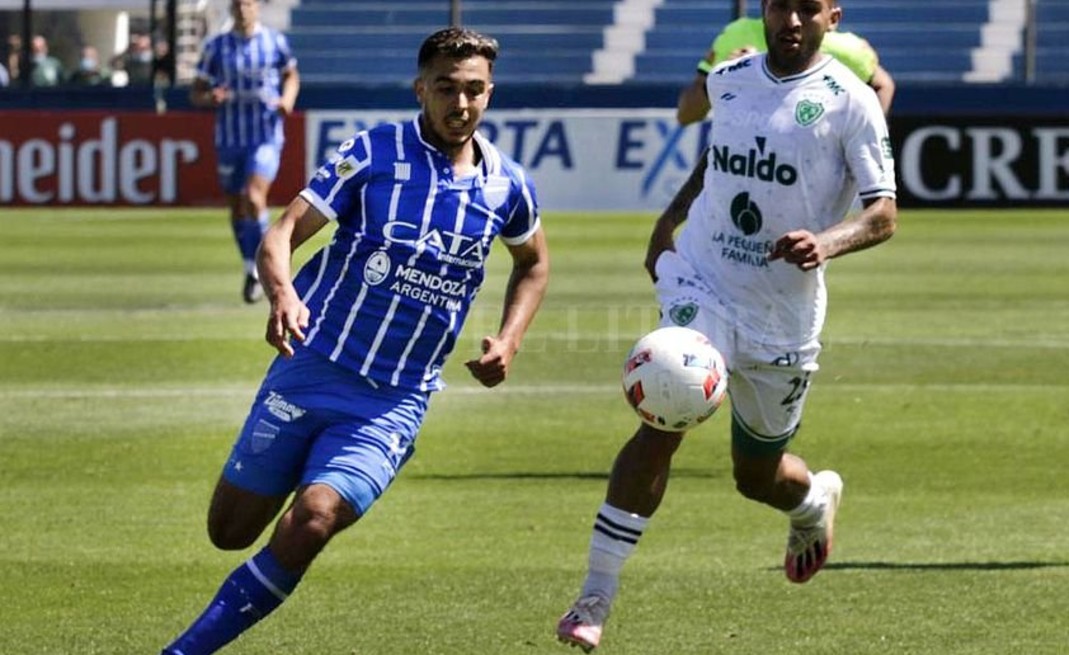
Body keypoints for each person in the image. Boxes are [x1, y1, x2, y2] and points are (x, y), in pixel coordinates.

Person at [160, 26, 549, 654]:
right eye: (446, 89)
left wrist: (510, 338)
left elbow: (532, 263)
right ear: (421, 89)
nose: (461, 104)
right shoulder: (372, 153)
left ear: (490, 93)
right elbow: (281, 233)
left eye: (475, 90)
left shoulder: (508, 186)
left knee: (313, 518)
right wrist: (284, 294)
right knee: (228, 532)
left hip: (393, 401)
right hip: (311, 365)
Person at [556, 0, 897, 650]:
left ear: (832, 16)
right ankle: (595, 594)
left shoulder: (851, 101)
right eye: (779, 6)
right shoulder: (730, 77)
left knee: (756, 475)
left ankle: (810, 503)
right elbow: (717, 159)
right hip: (704, 278)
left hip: (781, 313)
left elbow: (883, 213)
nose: (790, 19)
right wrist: (671, 218)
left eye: (807, 8)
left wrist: (827, 242)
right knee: (662, 417)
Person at [190, 0, 300, 303]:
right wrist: (210, 96)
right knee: (238, 206)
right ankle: (250, 265)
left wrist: (287, 99)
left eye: (248, 4)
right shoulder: (216, 46)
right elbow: (196, 90)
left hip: (265, 136)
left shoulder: (274, 41)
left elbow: (291, 75)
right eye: (237, 4)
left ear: (257, 8)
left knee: (254, 197)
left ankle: (263, 267)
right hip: (229, 137)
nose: (242, 10)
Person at [675, 13, 895, 125]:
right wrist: (720, 78)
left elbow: (882, 85)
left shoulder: (844, 49)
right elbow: (686, 115)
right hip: (742, 170)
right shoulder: (736, 35)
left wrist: (864, 140)